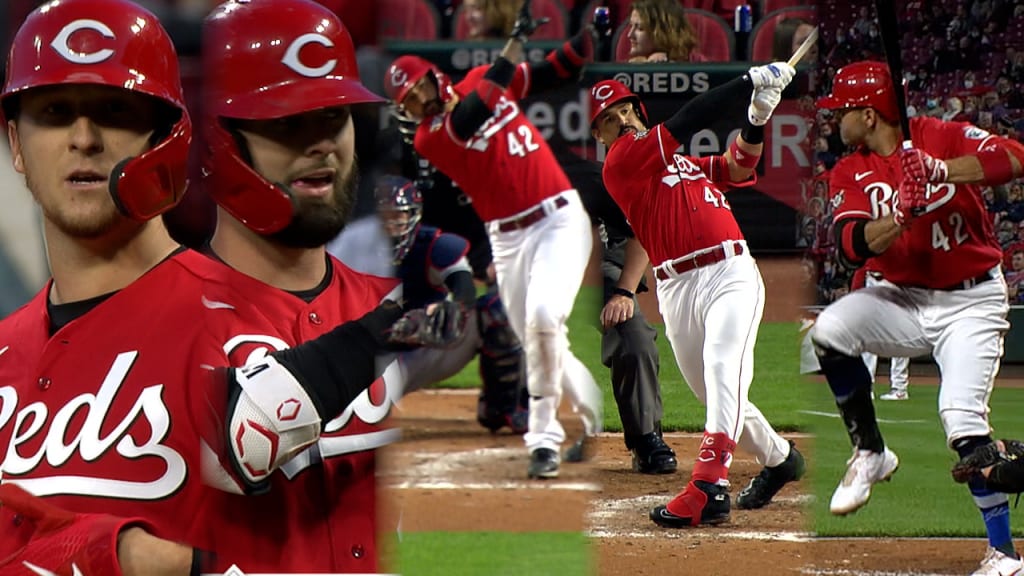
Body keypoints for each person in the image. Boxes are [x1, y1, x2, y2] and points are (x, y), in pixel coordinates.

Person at [0, 0, 420, 572]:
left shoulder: (250, 333)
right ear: (16, 145)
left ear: (168, 138)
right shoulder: (6, 356)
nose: (83, 137)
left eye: (115, 111)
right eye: (53, 112)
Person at [812, 60, 1024, 574]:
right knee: (829, 331)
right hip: (899, 300)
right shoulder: (850, 169)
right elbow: (851, 247)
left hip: (969, 303)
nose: (832, 119)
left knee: (961, 420)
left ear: (867, 114)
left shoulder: (941, 137)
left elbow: (1014, 156)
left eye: (840, 110)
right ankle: (870, 453)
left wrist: (940, 171)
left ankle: (1003, 554)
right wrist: (904, 211)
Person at [385, 3, 603, 479]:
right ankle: (590, 411)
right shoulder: (432, 136)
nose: (418, 104)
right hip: (506, 239)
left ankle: (543, 442)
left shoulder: (485, 76)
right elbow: (477, 108)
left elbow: (553, 72)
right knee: (537, 339)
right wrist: (515, 43)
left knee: (544, 320)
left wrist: (589, 36)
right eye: (408, 103)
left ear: (433, 78)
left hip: (557, 220)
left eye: (418, 91)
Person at [589, 61, 805, 527]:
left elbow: (737, 165)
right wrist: (748, 80)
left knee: (723, 367)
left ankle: (709, 486)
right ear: (602, 136)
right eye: (609, 117)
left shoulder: (679, 164)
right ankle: (782, 458)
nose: (622, 117)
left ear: (638, 112)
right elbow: (689, 119)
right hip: (675, 288)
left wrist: (757, 117)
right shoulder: (623, 163)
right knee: (716, 396)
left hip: (729, 272)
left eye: (626, 108)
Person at [373, 174, 528, 432]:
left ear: (413, 216)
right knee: (350, 417)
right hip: (373, 358)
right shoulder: (352, 248)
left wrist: (453, 308)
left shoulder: (433, 244)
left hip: (426, 344)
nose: (391, 225)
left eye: (397, 217)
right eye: (385, 217)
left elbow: (463, 286)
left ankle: (503, 406)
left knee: (498, 310)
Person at [556, 149, 677, 474]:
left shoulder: (590, 178)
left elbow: (642, 231)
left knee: (633, 336)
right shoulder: (499, 185)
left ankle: (646, 437)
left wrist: (623, 293)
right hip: (536, 270)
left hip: (598, 264)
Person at [623, 0, 703, 63]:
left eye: (640, 28)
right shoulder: (627, 67)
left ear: (663, 31)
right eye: (631, 26)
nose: (630, 35)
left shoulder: (697, 63)